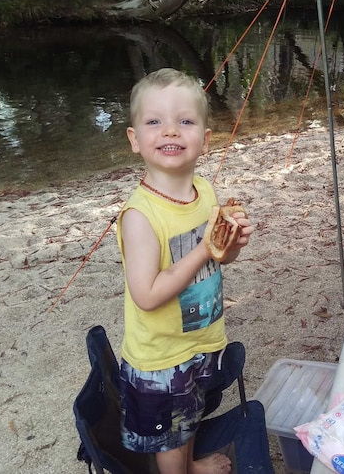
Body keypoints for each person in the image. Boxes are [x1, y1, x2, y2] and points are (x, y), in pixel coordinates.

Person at [116, 68, 253, 474]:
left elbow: (217, 258)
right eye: (154, 121)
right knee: (170, 436)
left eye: (185, 121)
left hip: (198, 338)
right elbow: (147, 294)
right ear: (135, 140)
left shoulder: (205, 191)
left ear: (205, 141)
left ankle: (190, 465)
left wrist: (229, 247)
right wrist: (204, 248)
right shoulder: (140, 216)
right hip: (161, 357)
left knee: (188, 418)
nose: (171, 131)